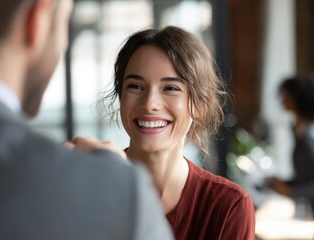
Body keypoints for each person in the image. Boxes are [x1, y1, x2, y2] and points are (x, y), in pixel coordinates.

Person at [0, 0, 174, 239]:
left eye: (171, 88)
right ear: (36, 18)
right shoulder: (116, 196)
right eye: (64, 23)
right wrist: (116, 186)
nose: (151, 103)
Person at [101, 26, 256, 239]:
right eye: (135, 86)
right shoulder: (85, 191)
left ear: (200, 105)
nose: (149, 104)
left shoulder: (228, 207)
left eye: (171, 88)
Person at [266, 75, 314, 216]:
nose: (282, 99)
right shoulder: (301, 132)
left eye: (286, 94)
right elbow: (307, 177)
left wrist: (291, 191)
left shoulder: (310, 135)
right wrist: (282, 183)